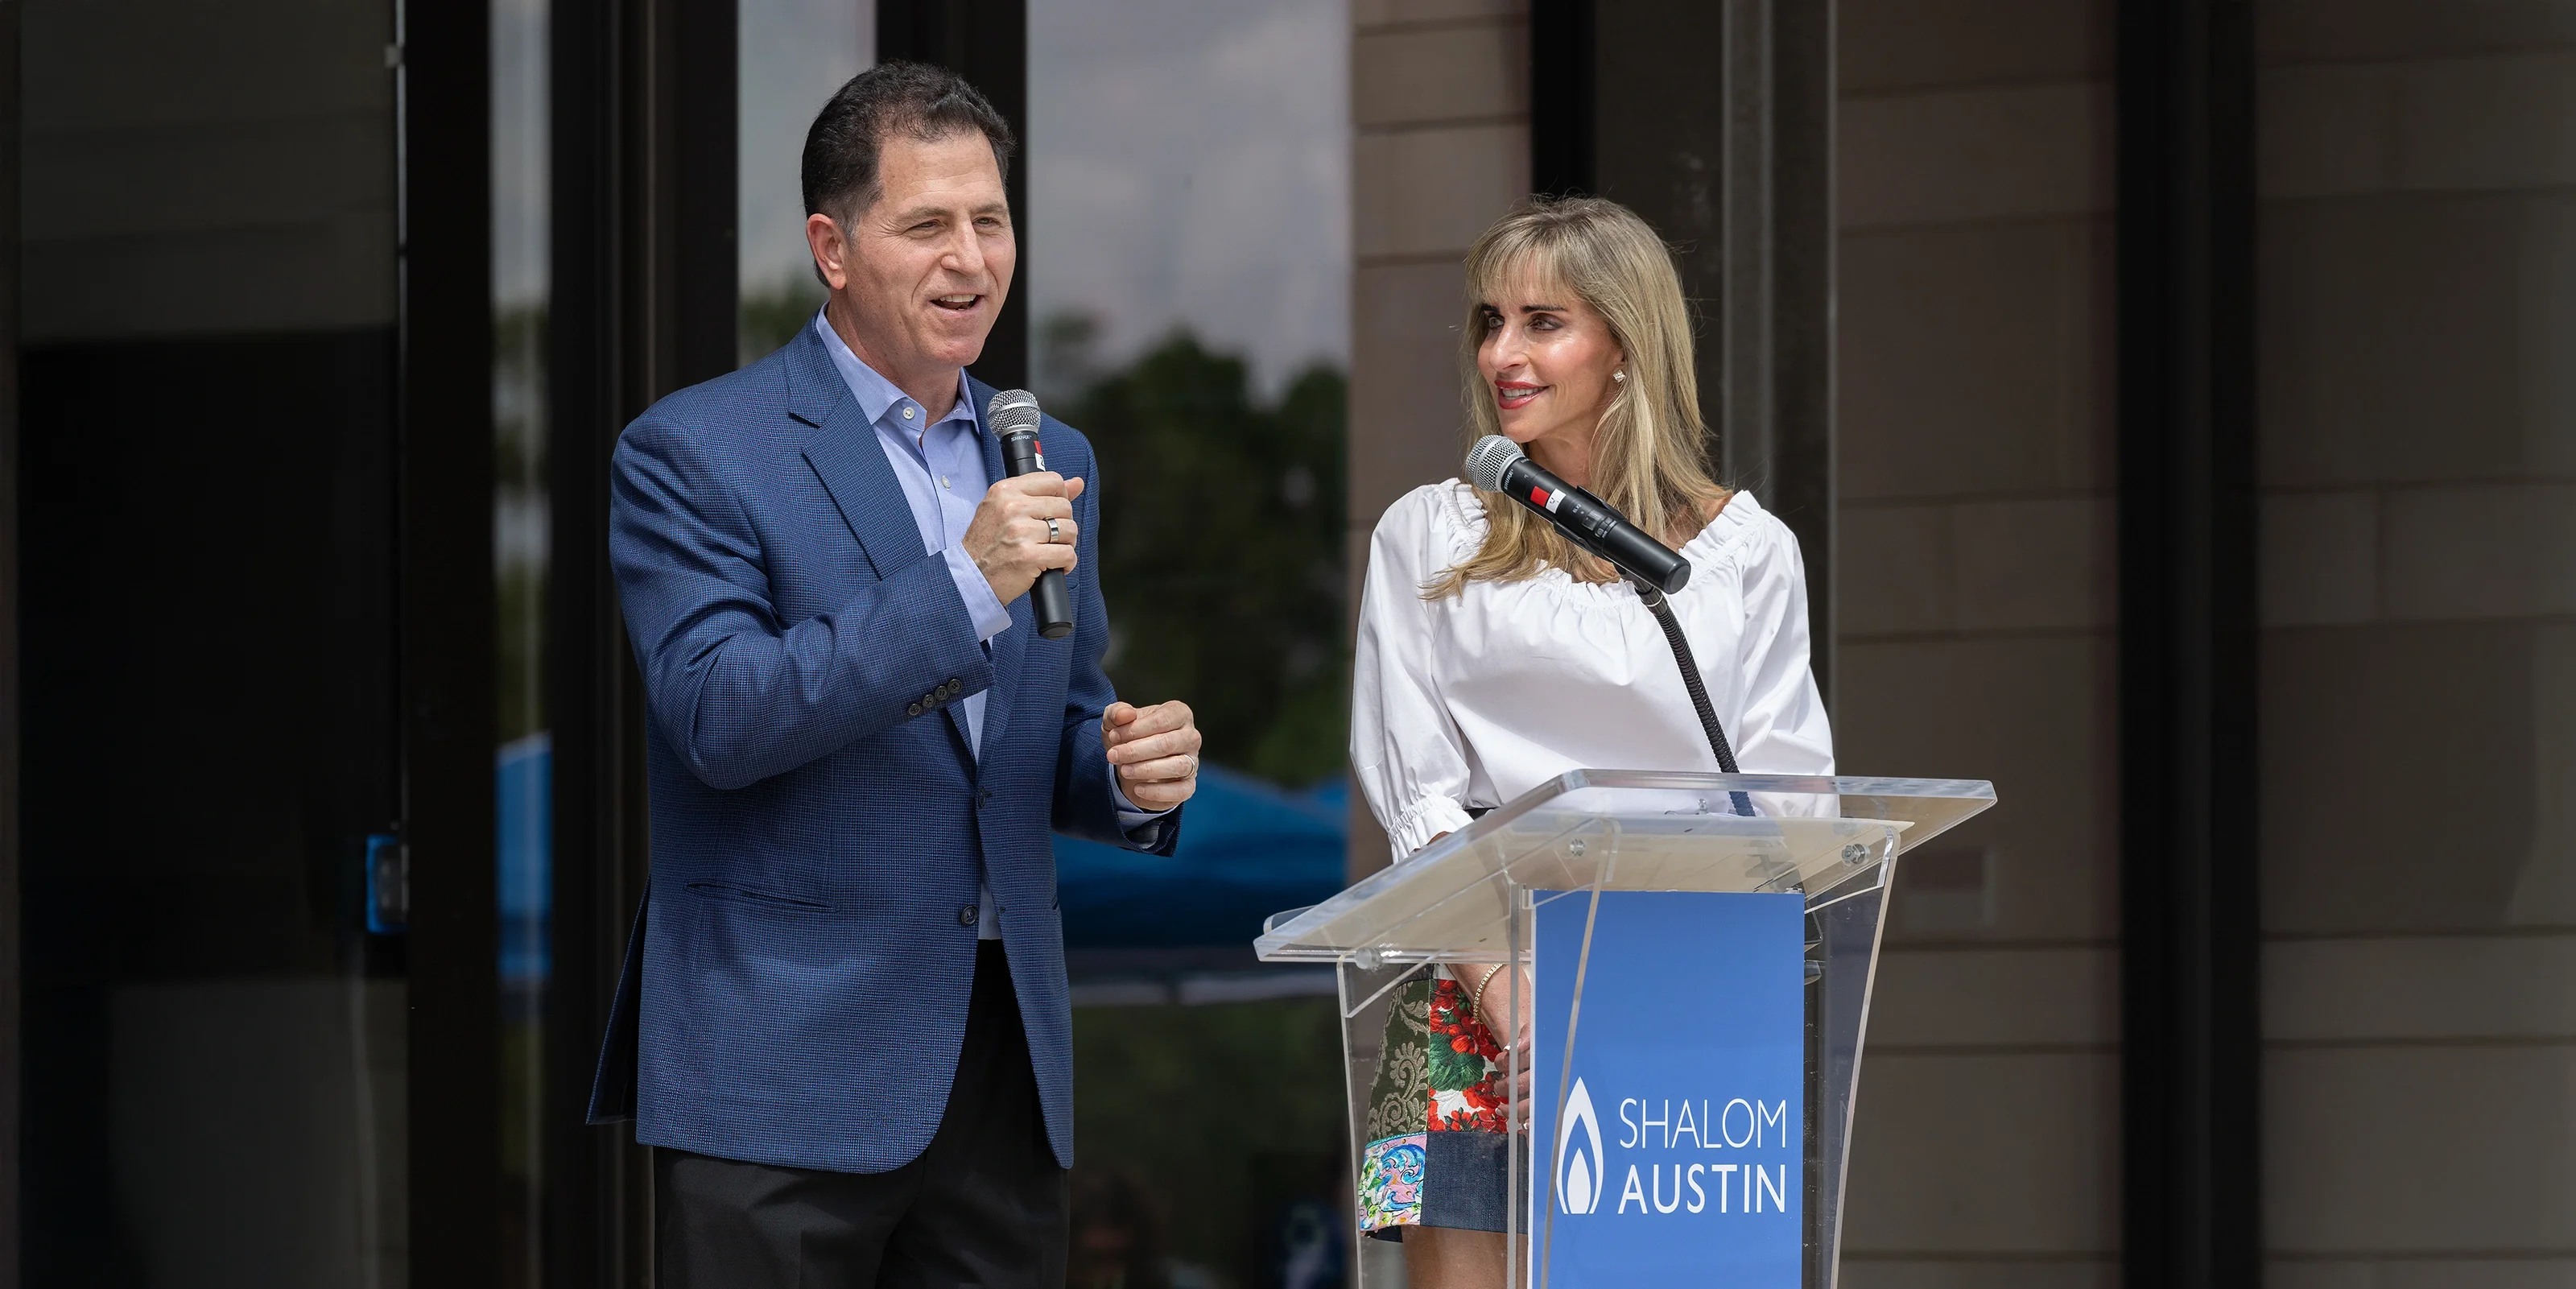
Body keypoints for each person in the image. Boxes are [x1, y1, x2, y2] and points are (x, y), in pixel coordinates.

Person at [586, 62, 1203, 1287]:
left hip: (1000, 1068)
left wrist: (1128, 776)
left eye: (991, 221)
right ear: (832, 246)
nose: (970, 261)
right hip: (779, 1073)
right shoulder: (697, 453)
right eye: (928, 225)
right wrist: (966, 584)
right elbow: (721, 715)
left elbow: (1051, 729)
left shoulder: (1049, 451)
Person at [1348, 196, 1834, 1287]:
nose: (1503, 354)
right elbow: (1414, 792)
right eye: (1490, 321)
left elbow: (1792, 803)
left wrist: (1626, 995)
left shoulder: (1748, 553)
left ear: (1627, 344)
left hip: (1684, 989)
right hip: (1486, 988)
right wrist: (1516, 1000)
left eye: (1543, 323)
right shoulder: (1431, 534)